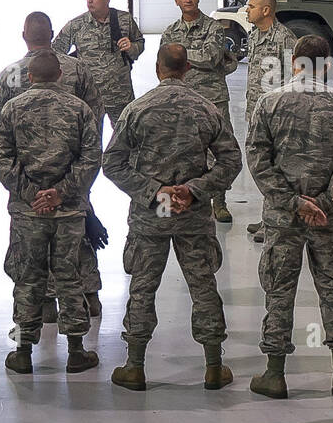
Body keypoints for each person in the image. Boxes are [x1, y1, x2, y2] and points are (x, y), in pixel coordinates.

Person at [103, 44, 242, 391]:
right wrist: (194, 189)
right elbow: (230, 161)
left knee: (142, 288)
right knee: (203, 287)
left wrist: (154, 192)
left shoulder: (137, 109)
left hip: (152, 217)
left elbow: (113, 162)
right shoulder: (206, 109)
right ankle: (213, 367)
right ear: (187, 69)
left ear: (158, 68)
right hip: (192, 216)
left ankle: (134, 367)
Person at [247, 35, 333, 398]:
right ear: (327, 65)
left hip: (284, 217)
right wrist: (326, 202)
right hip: (330, 218)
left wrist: (293, 202)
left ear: (294, 61)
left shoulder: (269, 102)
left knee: (279, 290)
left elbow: (257, 160)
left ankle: (275, 372)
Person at [0, 51, 102, 375]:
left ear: (29, 77)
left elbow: (1, 157)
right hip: (68, 213)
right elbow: (91, 157)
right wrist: (61, 193)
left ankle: (23, 352)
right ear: (60, 76)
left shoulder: (12, 109)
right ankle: (77, 351)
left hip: (28, 213)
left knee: (28, 278)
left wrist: (30, 194)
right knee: (69, 277)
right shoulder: (79, 109)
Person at [160, 0, 239, 223]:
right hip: (181, 99)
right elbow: (165, 62)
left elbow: (212, 57)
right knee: (184, 150)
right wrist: (191, 57)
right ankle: (186, 197)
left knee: (219, 151)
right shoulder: (169, 31)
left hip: (213, 97)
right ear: (176, 1)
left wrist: (181, 53)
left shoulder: (213, 27)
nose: (188, 0)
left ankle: (220, 203)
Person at [53, 0, 145, 139]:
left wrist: (131, 48)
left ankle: (122, 165)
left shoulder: (124, 19)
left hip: (120, 94)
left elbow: (139, 43)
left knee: (127, 139)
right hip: (90, 98)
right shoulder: (76, 25)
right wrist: (73, 75)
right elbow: (56, 52)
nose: (89, 0)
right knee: (90, 142)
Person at [242, 0, 297, 239]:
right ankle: (267, 219)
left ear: (266, 10)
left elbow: (295, 78)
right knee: (263, 167)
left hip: (276, 115)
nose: (247, 10)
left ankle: (275, 223)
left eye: (251, 6)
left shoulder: (285, 39)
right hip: (256, 111)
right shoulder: (255, 35)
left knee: (276, 168)